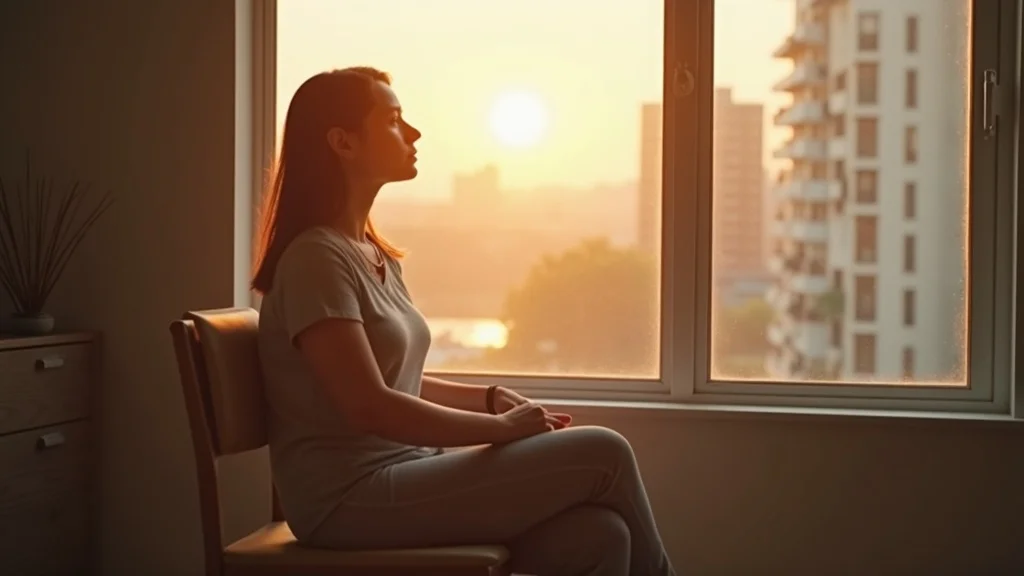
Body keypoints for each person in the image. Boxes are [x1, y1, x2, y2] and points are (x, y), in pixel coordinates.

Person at [252, 66, 677, 576]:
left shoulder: (370, 253)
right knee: (605, 452)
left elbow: (396, 381)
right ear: (343, 142)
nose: (413, 133)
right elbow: (368, 405)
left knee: (600, 536)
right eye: (393, 120)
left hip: (407, 470)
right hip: (347, 499)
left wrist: (489, 397)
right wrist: (499, 429)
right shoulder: (315, 260)